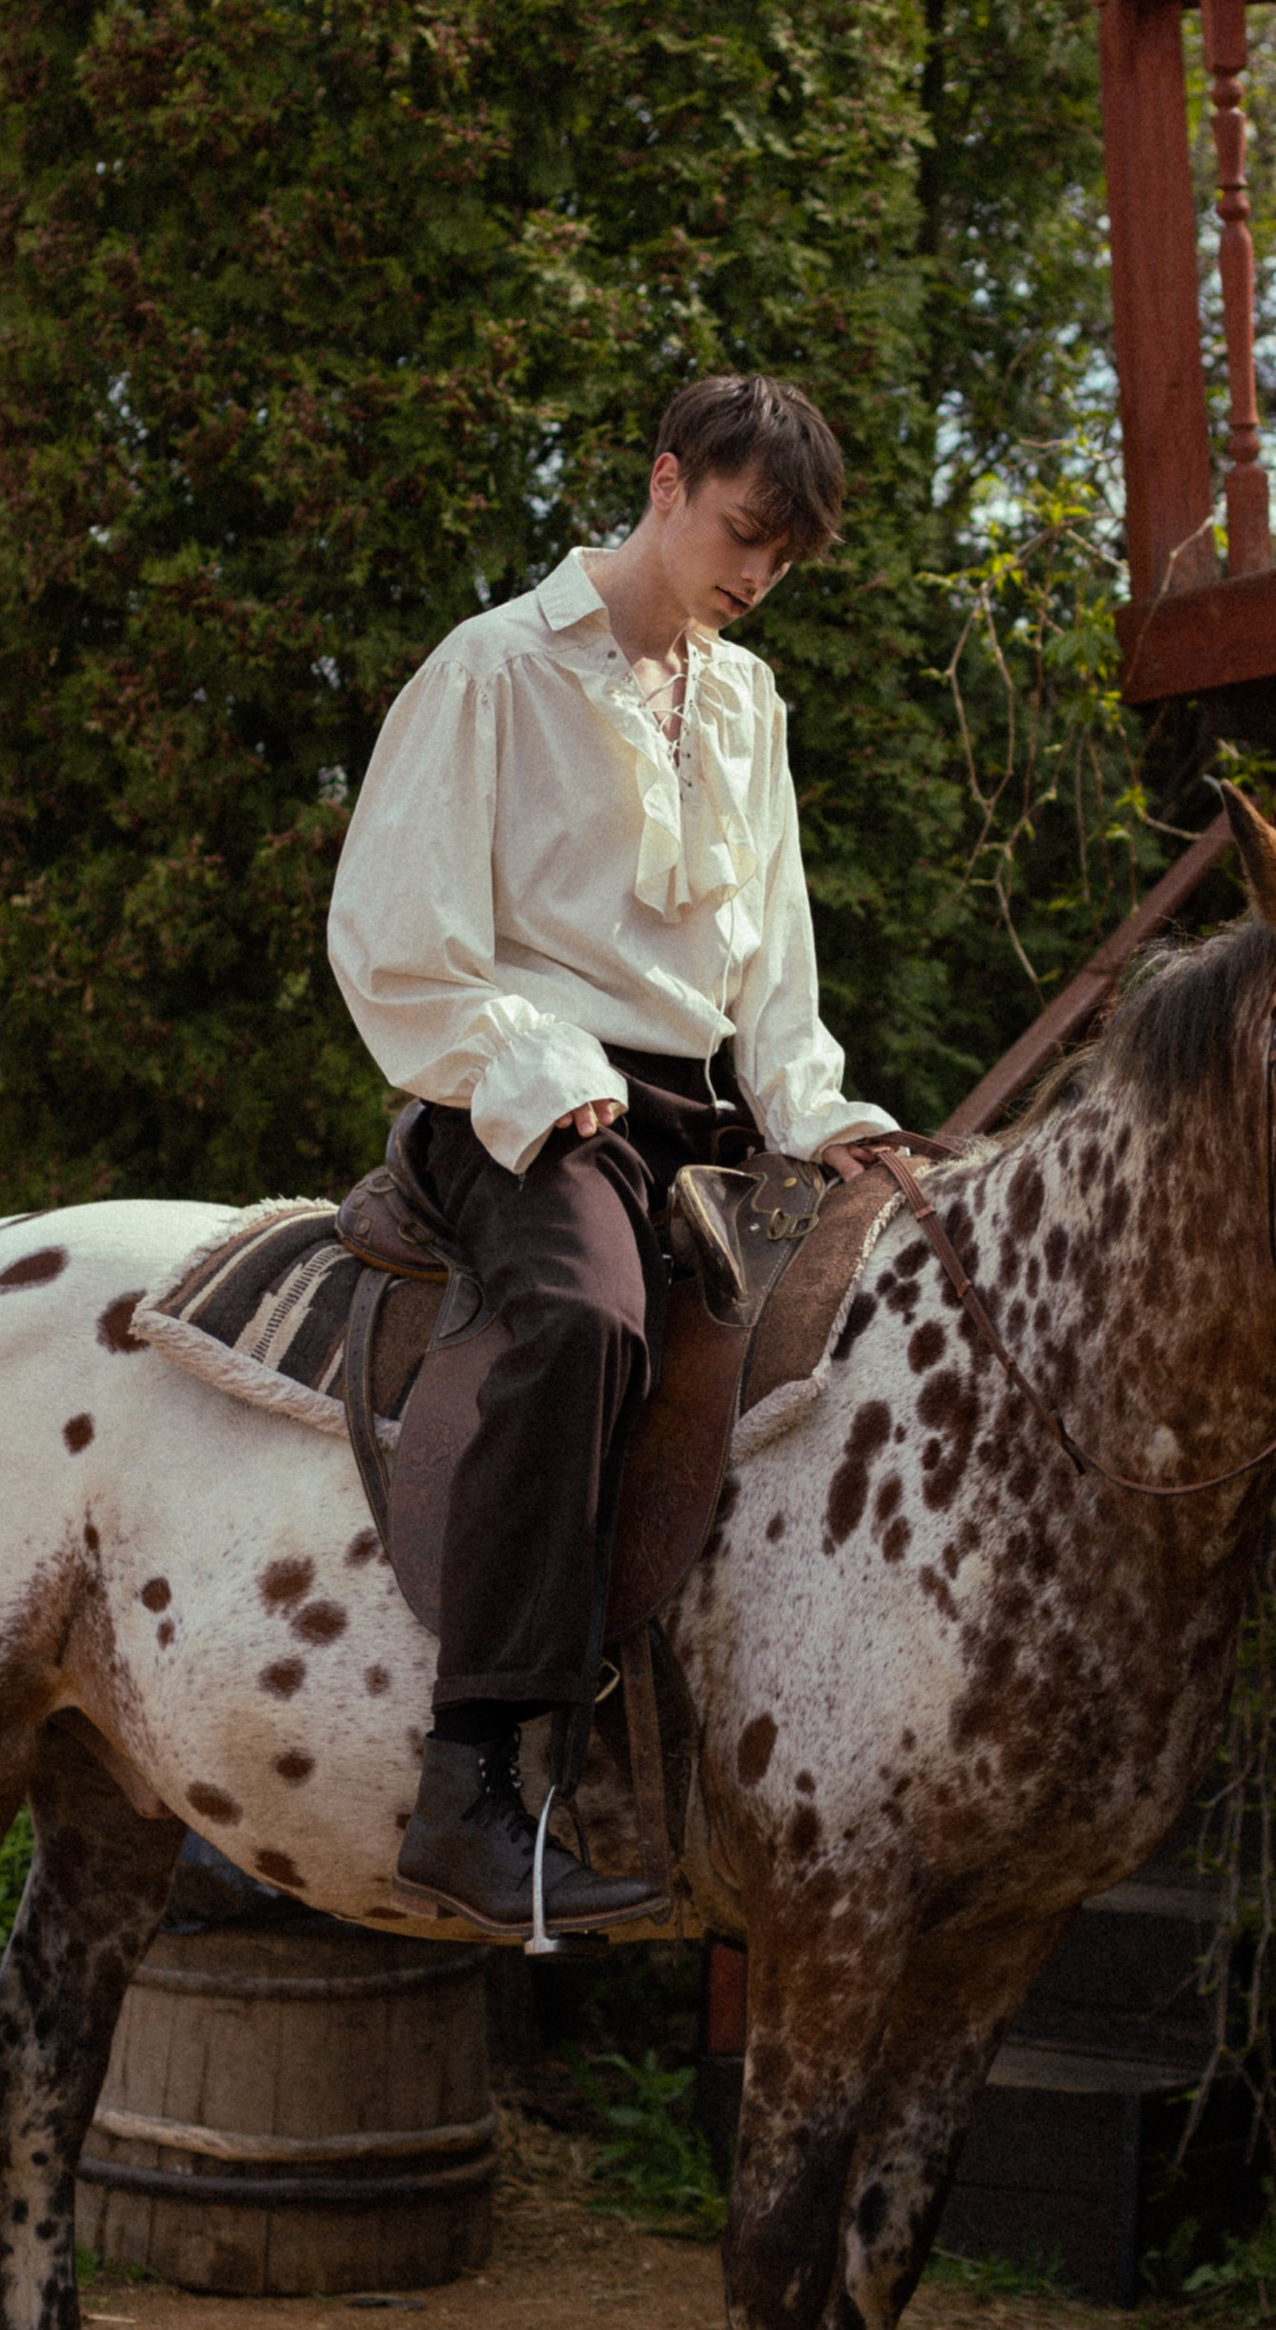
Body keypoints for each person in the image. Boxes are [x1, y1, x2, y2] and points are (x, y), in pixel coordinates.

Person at [325, 375, 896, 1936]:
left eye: (784, 557)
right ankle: (466, 1781)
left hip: (702, 1112)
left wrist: (824, 1112)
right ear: (665, 482)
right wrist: (532, 1067)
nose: (756, 573)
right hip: (512, 1100)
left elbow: (773, 964)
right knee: (587, 1320)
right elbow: (395, 939)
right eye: (740, 533)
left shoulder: (749, 701)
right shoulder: (496, 668)